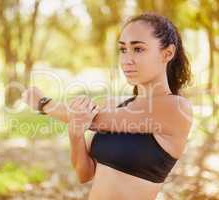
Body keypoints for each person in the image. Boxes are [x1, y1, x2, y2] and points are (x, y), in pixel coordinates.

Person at [22, 12, 193, 200]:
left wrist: (42, 103)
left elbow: (93, 120)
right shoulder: (116, 104)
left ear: (167, 53)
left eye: (138, 49)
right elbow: (84, 174)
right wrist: (76, 135)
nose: (127, 59)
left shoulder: (176, 107)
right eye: (123, 50)